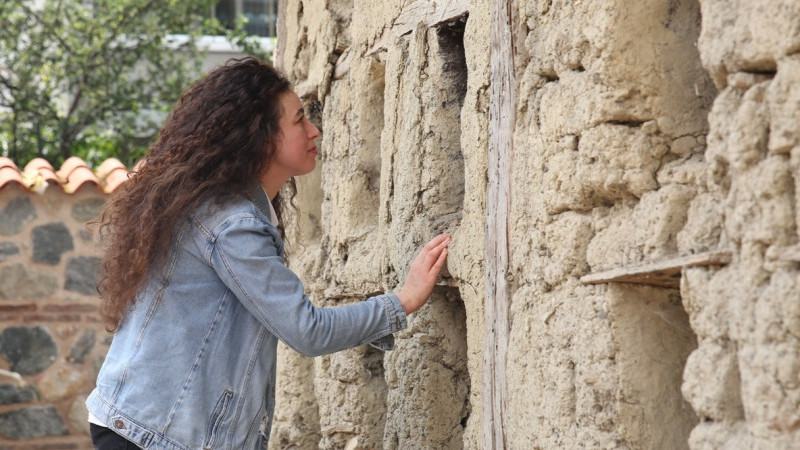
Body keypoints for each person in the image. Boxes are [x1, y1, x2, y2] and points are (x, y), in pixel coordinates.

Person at [86, 56, 450, 450]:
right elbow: (307, 331)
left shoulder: (226, 209)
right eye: (299, 120)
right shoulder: (230, 224)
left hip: (141, 426)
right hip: (151, 436)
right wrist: (402, 301)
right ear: (262, 137)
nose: (314, 131)